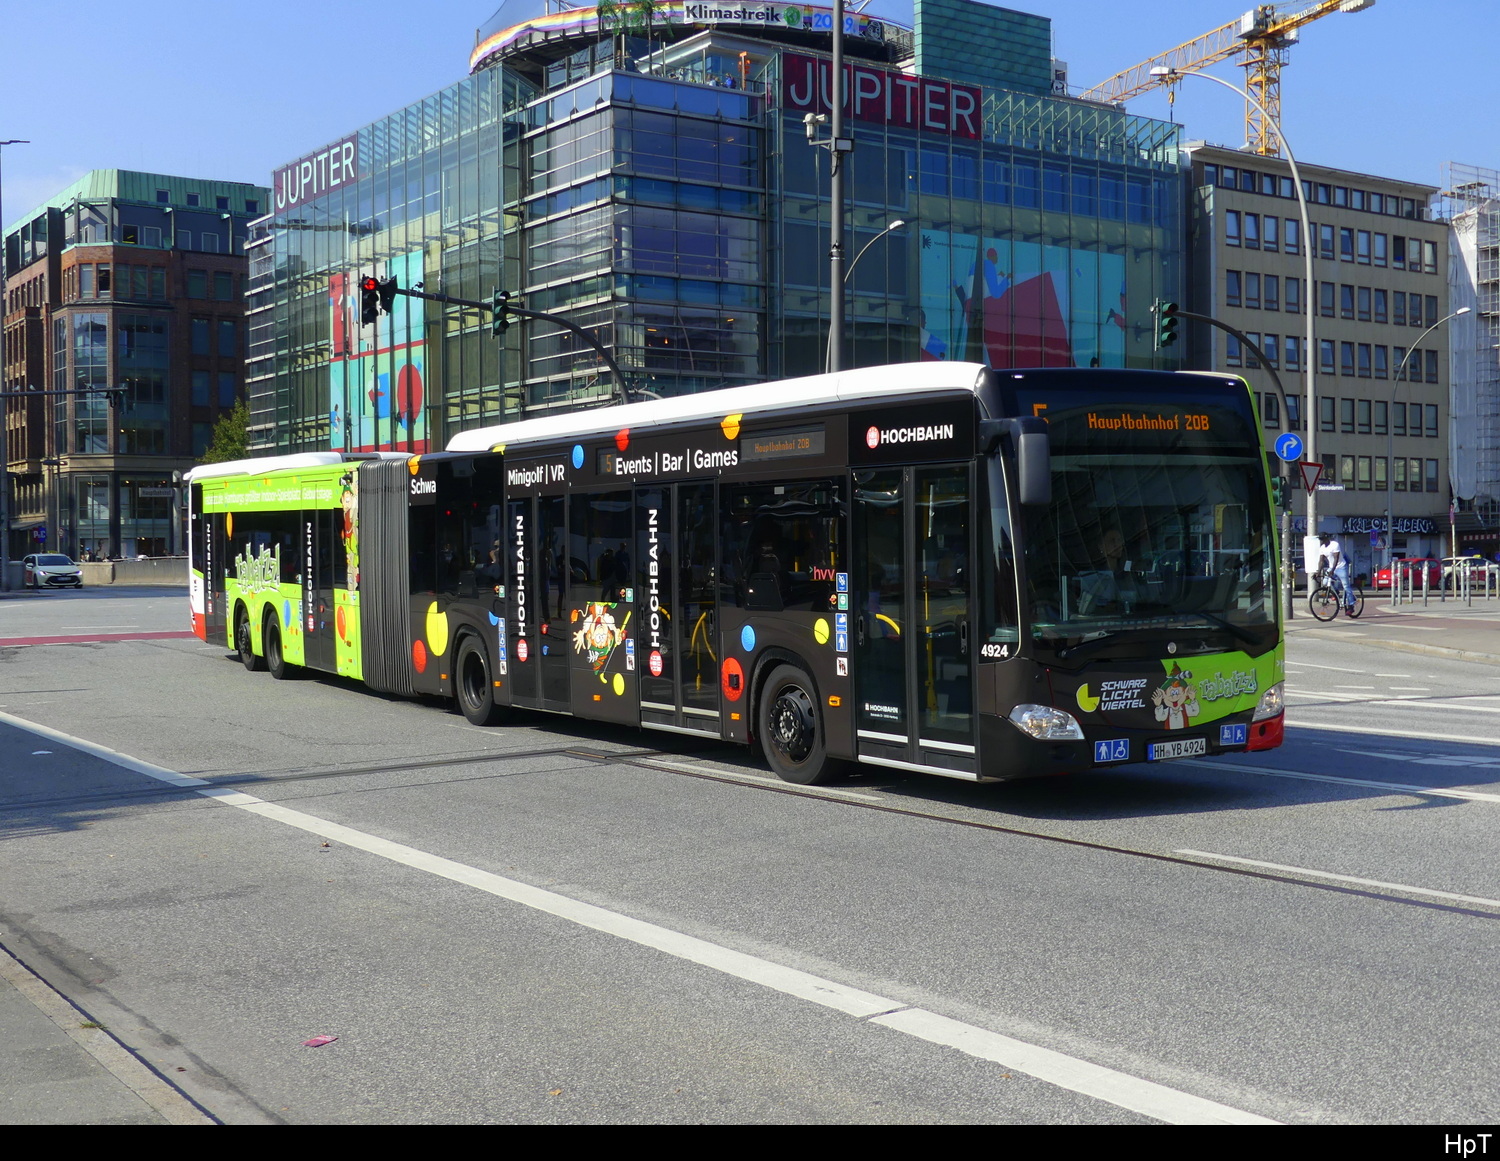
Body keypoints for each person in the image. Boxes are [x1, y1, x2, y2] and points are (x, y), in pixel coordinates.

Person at [1319, 532, 1355, 611]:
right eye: (1320, 539)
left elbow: (1336, 558)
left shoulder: (1335, 544)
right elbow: (1321, 561)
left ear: (1326, 538)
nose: (1321, 541)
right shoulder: (1322, 548)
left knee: (1346, 586)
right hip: (1332, 568)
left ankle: (1351, 604)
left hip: (1341, 567)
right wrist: (1318, 572)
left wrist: (1333, 570)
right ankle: (1336, 592)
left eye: (1322, 539)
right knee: (1325, 582)